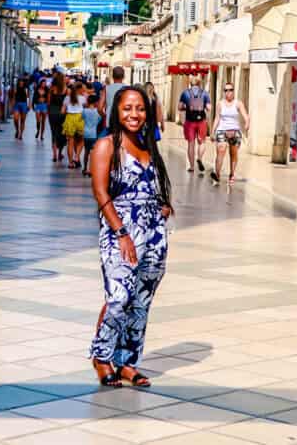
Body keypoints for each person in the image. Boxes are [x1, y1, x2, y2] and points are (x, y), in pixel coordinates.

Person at [89, 85, 173, 388]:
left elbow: (150, 185)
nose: (134, 114)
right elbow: (101, 192)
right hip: (119, 232)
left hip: (153, 235)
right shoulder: (106, 145)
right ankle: (101, 356)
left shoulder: (147, 145)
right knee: (118, 297)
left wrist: (162, 205)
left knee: (140, 303)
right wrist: (121, 232)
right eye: (127, 108)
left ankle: (126, 362)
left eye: (139, 108)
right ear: (117, 111)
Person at [210, 81, 250, 185]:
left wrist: (247, 123)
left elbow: (245, 115)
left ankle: (232, 174)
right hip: (222, 130)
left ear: (233, 91)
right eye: (226, 90)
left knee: (233, 154)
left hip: (235, 131)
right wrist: (212, 131)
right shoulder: (220, 104)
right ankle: (217, 174)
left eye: (230, 90)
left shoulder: (238, 103)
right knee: (221, 149)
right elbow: (217, 118)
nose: (228, 92)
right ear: (224, 92)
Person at [179, 77, 211, 173]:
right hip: (202, 121)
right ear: (199, 84)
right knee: (202, 142)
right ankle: (200, 159)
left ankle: (192, 166)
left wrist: (187, 107)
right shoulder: (205, 93)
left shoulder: (185, 93)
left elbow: (179, 107)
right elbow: (209, 108)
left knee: (191, 144)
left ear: (190, 84)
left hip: (190, 122)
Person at [63, 81, 88, 169]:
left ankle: (70, 163)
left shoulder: (67, 98)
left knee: (70, 142)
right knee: (81, 140)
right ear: (79, 89)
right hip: (80, 118)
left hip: (69, 118)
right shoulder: (83, 98)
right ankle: (76, 156)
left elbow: (63, 111)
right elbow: (87, 107)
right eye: (82, 89)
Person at [101, 66, 128, 135]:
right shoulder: (127, 89)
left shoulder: (107, 88)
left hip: (110, 121)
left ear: (112, 76)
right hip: (123, 121)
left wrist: (105, 116)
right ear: (123, 76)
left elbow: (99, 107)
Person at [47, 72, 68, 162]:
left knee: (53, 133)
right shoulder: (66, 90)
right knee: (61, 133)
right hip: (62, 114)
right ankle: (60, 153)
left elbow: (48, 102)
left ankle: (54, 155)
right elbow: (68, 102)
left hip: (52, 113)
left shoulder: (52, 89)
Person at [82, 94, 103, 177]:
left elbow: (82, 118)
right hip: (94, 134)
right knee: (92, 153)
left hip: (86, 133)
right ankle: (91, 170)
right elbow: (99, 120)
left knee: (86, 152)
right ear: (95, 102)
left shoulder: (84, 111)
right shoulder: (97, 112)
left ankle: (85, 168)